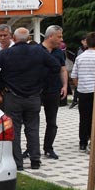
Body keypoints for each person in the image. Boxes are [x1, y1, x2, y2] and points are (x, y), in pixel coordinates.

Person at [0, 27, 60, 170]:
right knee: (33, 128)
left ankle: (18, 163)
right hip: (33, 95)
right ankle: (35, 160)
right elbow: (55, 66)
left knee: (14, 129)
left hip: (13, 96)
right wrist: (42, 83)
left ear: (13, 39)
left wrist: (2, 87)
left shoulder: (7, 53)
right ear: (28, 38)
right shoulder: (38, 51)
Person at [33, 25, 67, 160]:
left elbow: (63, 69)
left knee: (52, 122)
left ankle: (48, 148)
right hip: (36, 90)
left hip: (53, 90)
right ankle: (31, 148)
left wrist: (64, 85)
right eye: (59, 36)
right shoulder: (36, 50)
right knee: (33, 122)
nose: (61, 39)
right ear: (50, 36)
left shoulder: (59, 52)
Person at [70, 32, 95, 153]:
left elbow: (74, 76)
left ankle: (82, 142)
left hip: (83, 91)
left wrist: (79, 86)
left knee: (84, 117)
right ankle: (93, 140)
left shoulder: (79, 57)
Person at [70, 37, 88, 109]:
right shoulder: (79, 49)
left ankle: (81, 101)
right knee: (77, 86)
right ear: (82, 41)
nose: (86, 42)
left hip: (87, 71)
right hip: (80, 71)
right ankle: (75, 100)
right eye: (84, 40)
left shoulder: (91, 49)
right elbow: (75, 60)